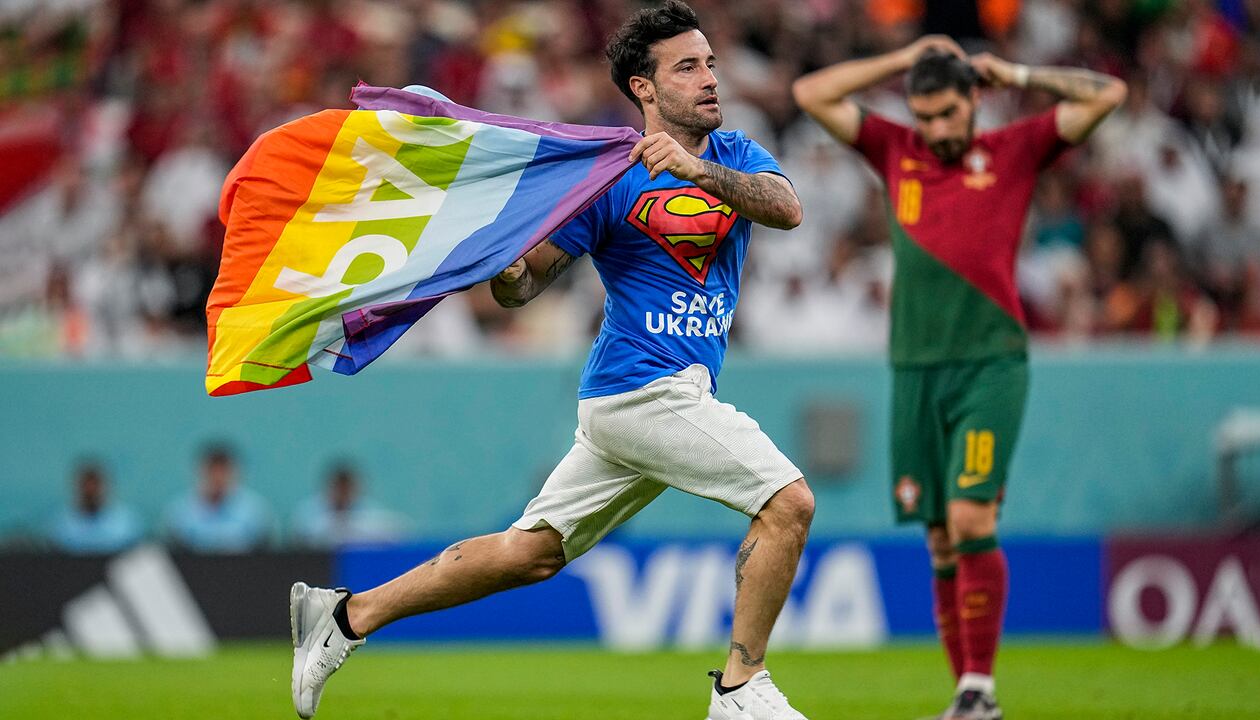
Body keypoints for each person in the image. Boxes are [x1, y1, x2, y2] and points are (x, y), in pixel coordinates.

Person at [289, 3, 813, 719]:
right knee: (788, 504)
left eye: (711, 63)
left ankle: (345, 617)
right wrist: (504, 270)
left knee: (528, 552)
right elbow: (528, 282)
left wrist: (695, 170)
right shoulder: (608, 178)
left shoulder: (735, 155)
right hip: (642, 392)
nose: (710, 79)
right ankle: (739, 688)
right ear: (644, 88)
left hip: (643, 400)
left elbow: (786, 209)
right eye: (687, 67)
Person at [794, 37, 1126, 720]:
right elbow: (811, 95)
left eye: (948, 113)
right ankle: (969, 699)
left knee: (972, 515)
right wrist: (901, 58)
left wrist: (1020, 73)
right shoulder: (896, 149)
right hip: (913, 370)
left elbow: (1109, 95)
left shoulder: (1016, 150)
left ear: (975, 99)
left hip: (990, 365)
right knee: (940, 536)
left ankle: (980, 687)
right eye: (925, 116)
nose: (937, 130)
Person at [163, 443, 273, 553]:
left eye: (223, 471)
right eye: (212, 471)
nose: (218, 478)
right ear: (201, 472)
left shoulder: (255, 511)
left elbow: (266, 551)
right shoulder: (179, 512)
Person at [290, 462, 409, 548]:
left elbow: (398, 532)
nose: (343, 492)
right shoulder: (307, 514)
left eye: (347, 487)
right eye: (339, 487)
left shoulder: (370, 514)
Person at [48, 460, 143, 554]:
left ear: (105, 487)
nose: (91, 491)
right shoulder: (62, 524)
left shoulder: (126, 522)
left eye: (95, 485)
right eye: (86, 486)